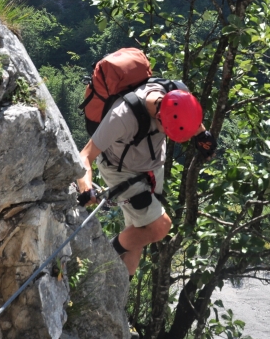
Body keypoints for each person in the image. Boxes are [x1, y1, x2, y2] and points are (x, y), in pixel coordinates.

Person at [74, 80, 216, 275]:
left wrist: (202, 134)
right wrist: (85, 187)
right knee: (159, 227)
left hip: (151, 166)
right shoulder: (122, 116)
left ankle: (119, 286)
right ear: (159, 116)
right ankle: (100, 257)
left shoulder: (176, 93)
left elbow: (187, 112)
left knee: (139, 234)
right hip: (121, 171)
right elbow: (85, 156)